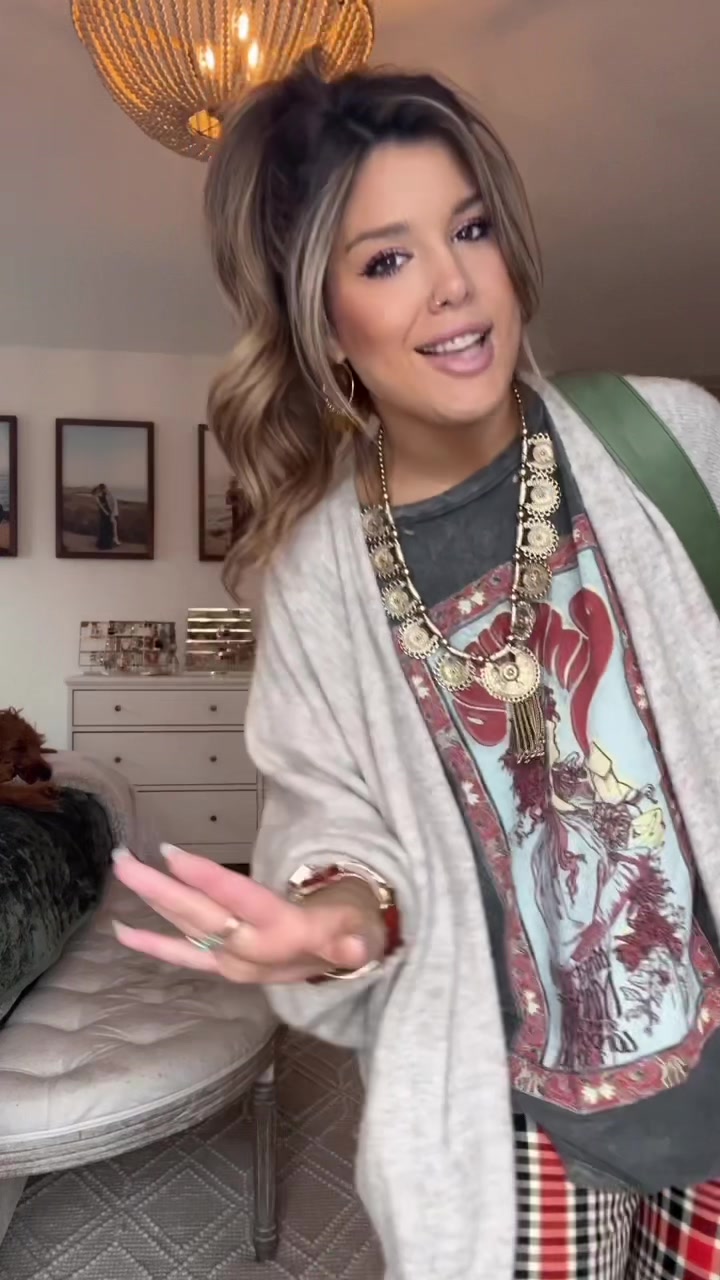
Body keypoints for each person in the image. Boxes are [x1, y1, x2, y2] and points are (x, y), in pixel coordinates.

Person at [111, 59, 720, 1280]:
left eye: (471, 228)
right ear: (322, 317)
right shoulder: (317, 575)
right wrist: (337, 915)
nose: (454, 283)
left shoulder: (669, 436)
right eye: (387, 258)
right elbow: (336, 826)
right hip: (512, 1119)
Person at [92, 483, 114, 550]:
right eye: (104, 488)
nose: (105, 489)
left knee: (109, 526)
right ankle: (103, 545)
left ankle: (108, 544)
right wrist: (105, 512)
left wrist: (110, 511)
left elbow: (109, 498)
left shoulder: (104, 493)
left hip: (107, 509)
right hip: (103, 511)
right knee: (104, 526)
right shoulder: (96, 496)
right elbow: (100, 506)